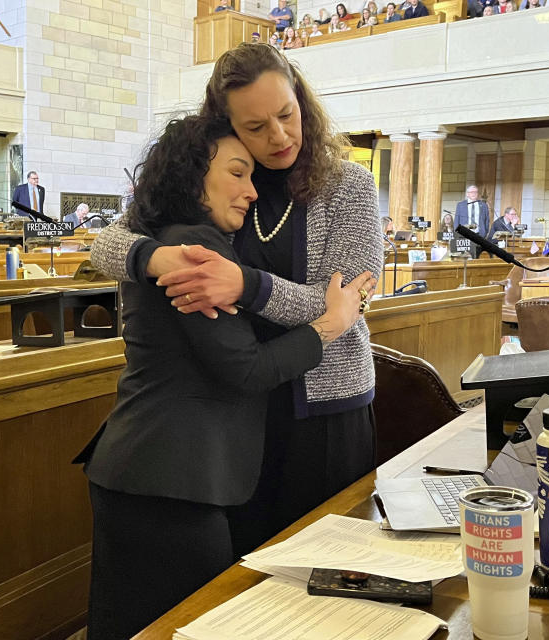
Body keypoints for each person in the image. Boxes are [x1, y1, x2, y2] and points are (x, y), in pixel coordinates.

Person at [87, 43, 382, 576]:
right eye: (255, 125)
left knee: (331, 569)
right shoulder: (212, 180)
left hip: (327, 407)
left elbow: (348, 298)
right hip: (242, 411)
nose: (279, 136)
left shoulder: (349, 184)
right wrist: (153, 255)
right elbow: (104, 245)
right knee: (250, 576)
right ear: (227, 125)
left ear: (302, 101)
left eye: (286, 115)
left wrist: (244, 284)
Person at [454, 185, 490, 257]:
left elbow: (487, 221)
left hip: (479, 235)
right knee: (465, 257)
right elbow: (456, 221)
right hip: (465, 235)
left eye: (475, 192)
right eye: (471, 192)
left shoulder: (483, 205)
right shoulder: (460, 205)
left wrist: (484, 233)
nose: (473, 194)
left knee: (477, 256)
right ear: (467, 194)